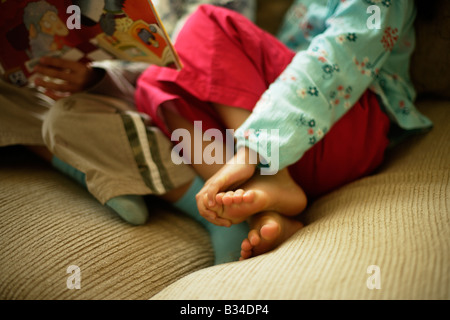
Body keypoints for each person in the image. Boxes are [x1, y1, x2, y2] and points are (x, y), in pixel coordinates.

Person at [133, 1, 433, 260]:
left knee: (206, 22)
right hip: (299, 149)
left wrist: (255, 149)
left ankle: (270, 176)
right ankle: (262, 212)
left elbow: (335, 63)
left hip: (348, 125)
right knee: (156, 82)